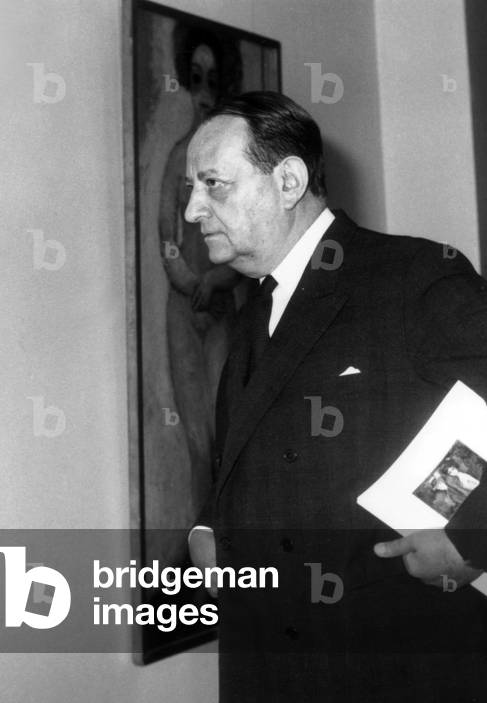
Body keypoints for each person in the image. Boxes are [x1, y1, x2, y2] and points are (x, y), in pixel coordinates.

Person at [183, 91, 487, 701]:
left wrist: (468, 537)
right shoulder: (252, 311)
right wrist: (208, 528)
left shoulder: (414, 275)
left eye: (212, 184)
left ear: (289, 179)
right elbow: (248, 461)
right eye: (191, 189)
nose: (192, 210)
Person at [157, 27, 244, 552]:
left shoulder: (234, 169)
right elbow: (166, 237)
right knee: (195, 437)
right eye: (196, 79)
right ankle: (199, 548)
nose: (205, 90)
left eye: (213, 80)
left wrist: (215, 280)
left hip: (222, 308)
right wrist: (188, 280)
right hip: (182, 310)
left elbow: (242, 237)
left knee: (224, 432)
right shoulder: (175, 160)